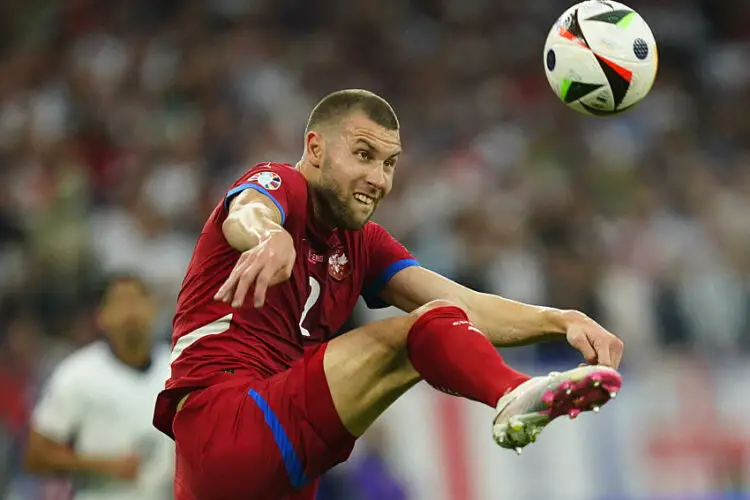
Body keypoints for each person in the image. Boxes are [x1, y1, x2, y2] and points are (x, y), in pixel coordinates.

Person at [153, 89, 624, 500]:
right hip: (226, 421)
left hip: (280, 467)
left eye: (389, 163)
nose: (379, 179)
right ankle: (513, 394)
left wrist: (561, 320)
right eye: (363, 155)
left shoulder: (364, 244)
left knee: (442, 317)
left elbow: (469, 308)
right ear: (315, 148)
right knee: (415, 333)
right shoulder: (284, 186)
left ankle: (514, 393)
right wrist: (268, 236)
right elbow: (247, 212)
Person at [25, 274, 175, 500]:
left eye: (138, 299)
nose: (131, 310)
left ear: (153, 308)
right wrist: (103, 465)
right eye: (121, 301)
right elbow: (36, 456)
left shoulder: (176, 366)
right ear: (101, 316)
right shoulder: (77, 374)